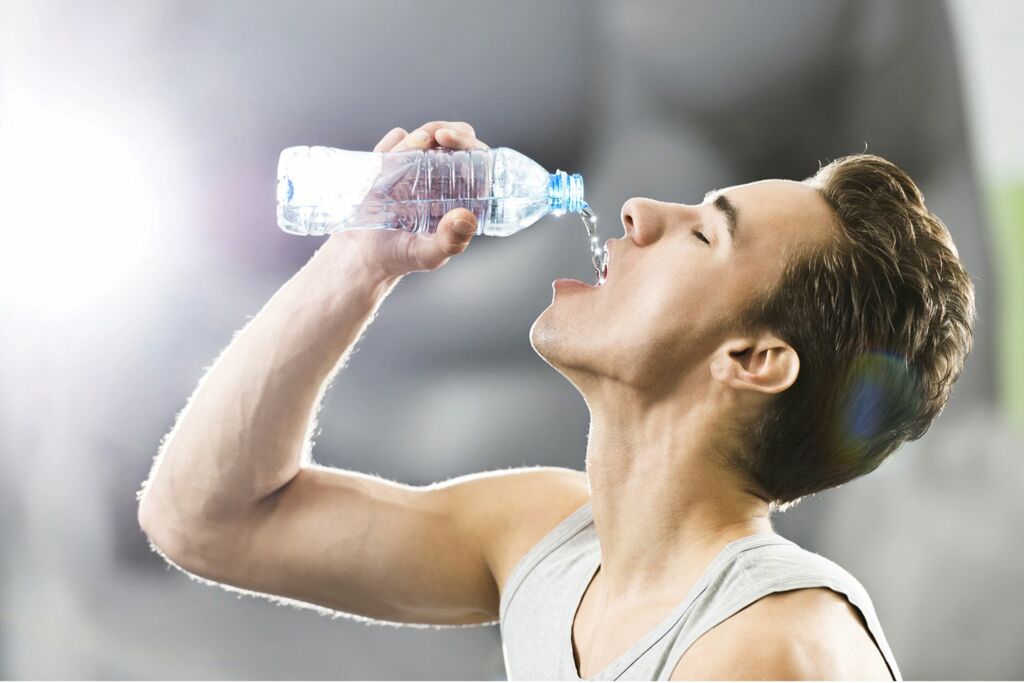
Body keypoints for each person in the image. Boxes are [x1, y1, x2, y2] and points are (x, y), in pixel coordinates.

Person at [137, 121, 974, 680]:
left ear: (751, 359)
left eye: (703, 232)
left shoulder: (777, 648)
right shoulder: (545, 538)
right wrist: (359, 262)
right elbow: (207, 520)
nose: (641, 210)